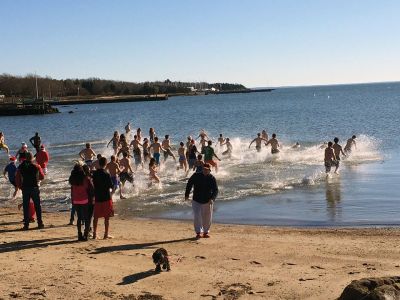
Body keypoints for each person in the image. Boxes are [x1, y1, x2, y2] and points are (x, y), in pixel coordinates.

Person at [185, 163, 218, 239]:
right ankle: (198, 232)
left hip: (207, 200)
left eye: (207, 169)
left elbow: (215, 190)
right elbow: (189, 184)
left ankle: (206, 232)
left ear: (210, 170)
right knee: (197, 216)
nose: (205, 170)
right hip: (196, 200)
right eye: (204, 169)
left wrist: (212, 199)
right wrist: (186, 195)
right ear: (202, 169)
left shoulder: (212, 178)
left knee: (207, 217)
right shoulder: (196, 175)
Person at [15, 152, 45, 230]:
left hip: (25, 188)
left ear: (25, 158)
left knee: (25, 206)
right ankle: (40, 223)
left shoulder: (20, 166)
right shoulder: (36, 166)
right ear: (32, 158)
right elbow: (42, 177)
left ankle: (26, 225)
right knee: (37, 206)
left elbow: (17, 179)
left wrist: (20, 187)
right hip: (34, 188)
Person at [69, 163, 93, 241]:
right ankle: (85, 234)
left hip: (76, 200)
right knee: (87, 218)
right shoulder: (86, 179)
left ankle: (79, 234)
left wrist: (72, 199)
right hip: (85, 200)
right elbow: (91, 189)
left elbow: (72, 191)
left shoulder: (72, 180)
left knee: (79, 218)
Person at [92, 157, 114, 239]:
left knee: (96, 217)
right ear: (106, 164)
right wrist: (112, 192)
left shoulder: (95, 173)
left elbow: (93, 184)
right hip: (106, 197)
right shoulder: (107, 174)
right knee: (107, 217)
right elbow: (111, 186)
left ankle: (94, 234)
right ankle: (106, 234)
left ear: (99, 163)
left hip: (98, 196)